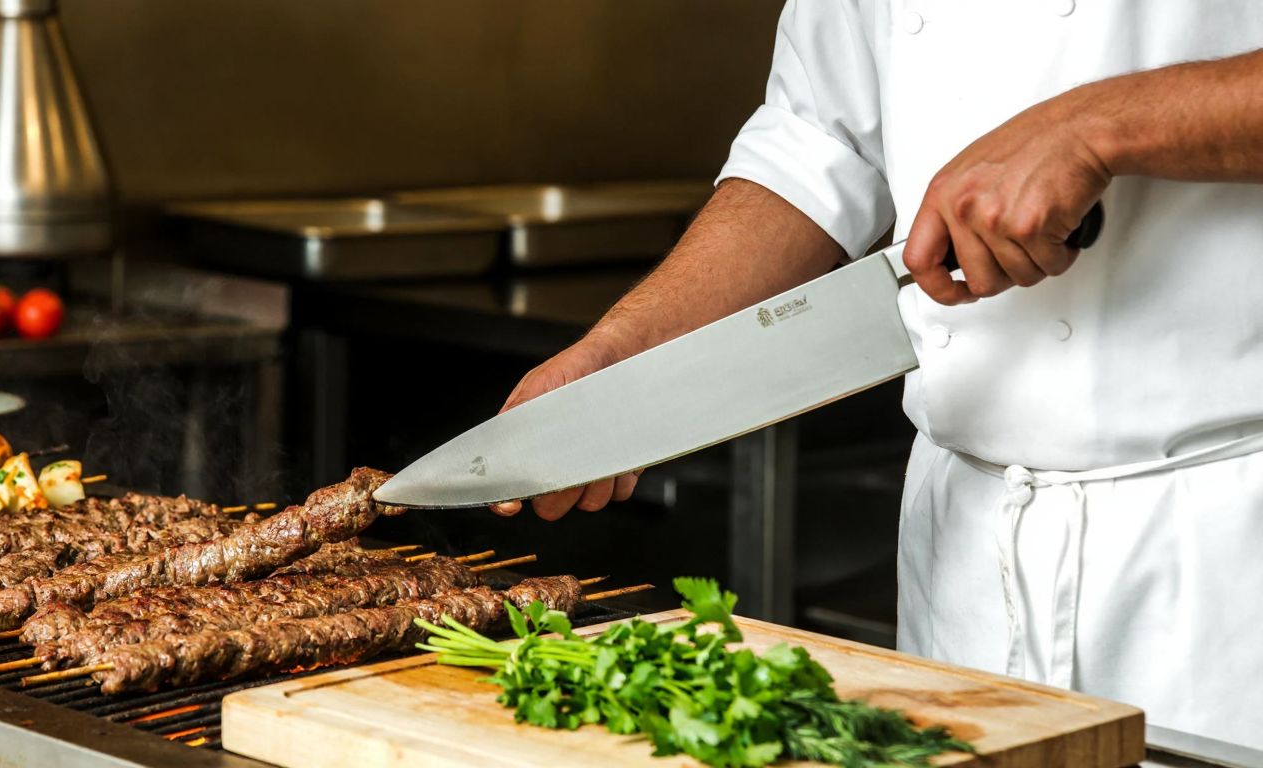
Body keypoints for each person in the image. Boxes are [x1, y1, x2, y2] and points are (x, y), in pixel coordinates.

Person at [492, 2, 1263, 749]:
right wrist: (625, 360)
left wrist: (1097, 128)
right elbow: (815, 143)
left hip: (1220, 567)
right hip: (959, 558)